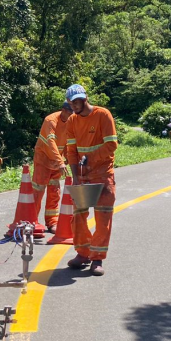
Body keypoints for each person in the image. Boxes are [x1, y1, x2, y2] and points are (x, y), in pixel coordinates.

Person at [64, 84, 117, 276]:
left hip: (103, 175)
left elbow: (111, 145)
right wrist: (75, 176)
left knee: (103, 217)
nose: (76, 104)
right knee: (78, 216)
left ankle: (97, 258)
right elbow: (71, 151)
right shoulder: (71, 121)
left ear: (85, 98)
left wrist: (90, 159)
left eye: (78, 100)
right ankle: (83, 253)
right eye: (72, 102)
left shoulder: (103, 115)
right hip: (83, 176)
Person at [32, 101, 73, 232]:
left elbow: (69, 141)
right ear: (64, 110)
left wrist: (68, 157)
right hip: (43, 159)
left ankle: (52, 222)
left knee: (54, 191)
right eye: (69, 111)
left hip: (56, 161)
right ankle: (32, 221)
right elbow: (50, 142)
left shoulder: (72, 121)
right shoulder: (50, 120)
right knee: (38, 190)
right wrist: (60, 161)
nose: (72, 114)